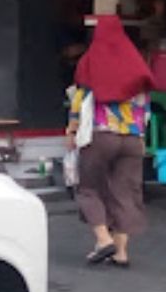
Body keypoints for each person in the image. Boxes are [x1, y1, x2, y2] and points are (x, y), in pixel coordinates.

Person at [66, 16, 154, 268]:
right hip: (133, 138)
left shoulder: (92, 61)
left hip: (101, 135)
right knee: (124, 193)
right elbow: (146, 103)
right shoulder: (136, 64)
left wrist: (72, 130)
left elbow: (80, 99)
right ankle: (121, 253)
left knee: (89, 187)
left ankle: (104, 240)